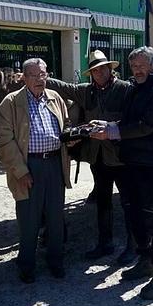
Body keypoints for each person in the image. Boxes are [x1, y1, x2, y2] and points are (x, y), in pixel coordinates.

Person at [91, 46, 153, 300]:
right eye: (134, 66)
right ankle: (146, 259)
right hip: (131, 161)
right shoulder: (136, 88)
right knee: (133, 213)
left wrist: (111, 132)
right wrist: (107, 125)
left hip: (152, 164)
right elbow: (126, 123)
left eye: (141, 65)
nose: (137, 70)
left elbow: (147, 126)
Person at [46, 50, 137, 265]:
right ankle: (105, 244)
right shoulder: (86, 92)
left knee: (129, 203)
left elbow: (134, 120)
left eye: (102, 69)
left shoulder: (125, 90)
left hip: (121, 157)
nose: (99, 73)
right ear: (91, 74)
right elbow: (64, 88)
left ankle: (134, 247)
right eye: (95, 70)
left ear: (110, 69)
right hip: (98, 158)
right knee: (103, 202)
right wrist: (42, 77)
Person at [0, 58, 72, 284]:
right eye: (34, 75)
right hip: (29, 166)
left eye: (43, 74)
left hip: (55, 164)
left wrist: (71, 137)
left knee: (56, 216)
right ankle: (27, 264)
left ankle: (55, 261)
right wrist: (21, 171)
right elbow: (4, 141)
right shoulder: (11, 102)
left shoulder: (55, 98)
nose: (40, 79)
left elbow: (65, 124)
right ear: (24, 77)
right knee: (29, 218)